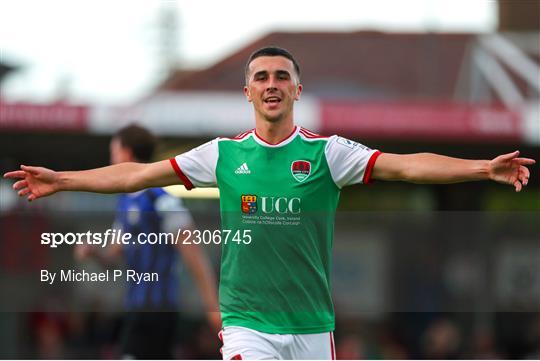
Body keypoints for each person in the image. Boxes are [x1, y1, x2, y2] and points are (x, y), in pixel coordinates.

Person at [4, 47, 535, 360]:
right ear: (249, 93)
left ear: (298, 89)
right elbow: (136, 174)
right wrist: (64, 179)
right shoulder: (222, 155)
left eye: (282, 76)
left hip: (310, 327)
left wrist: (481, 168)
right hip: (246, 323)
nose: (272, 84)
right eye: (262, 77)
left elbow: (406, 164)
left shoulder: (329, 154)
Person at [74, 125, 220, 358]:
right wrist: (93, 253)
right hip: (135, 308)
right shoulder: (124, 203)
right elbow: (113, 257)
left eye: (114, 152)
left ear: (127, 155)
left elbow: (193, 254)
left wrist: (212, 306)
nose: (111, 160)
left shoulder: (161, 200)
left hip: (159, 309)